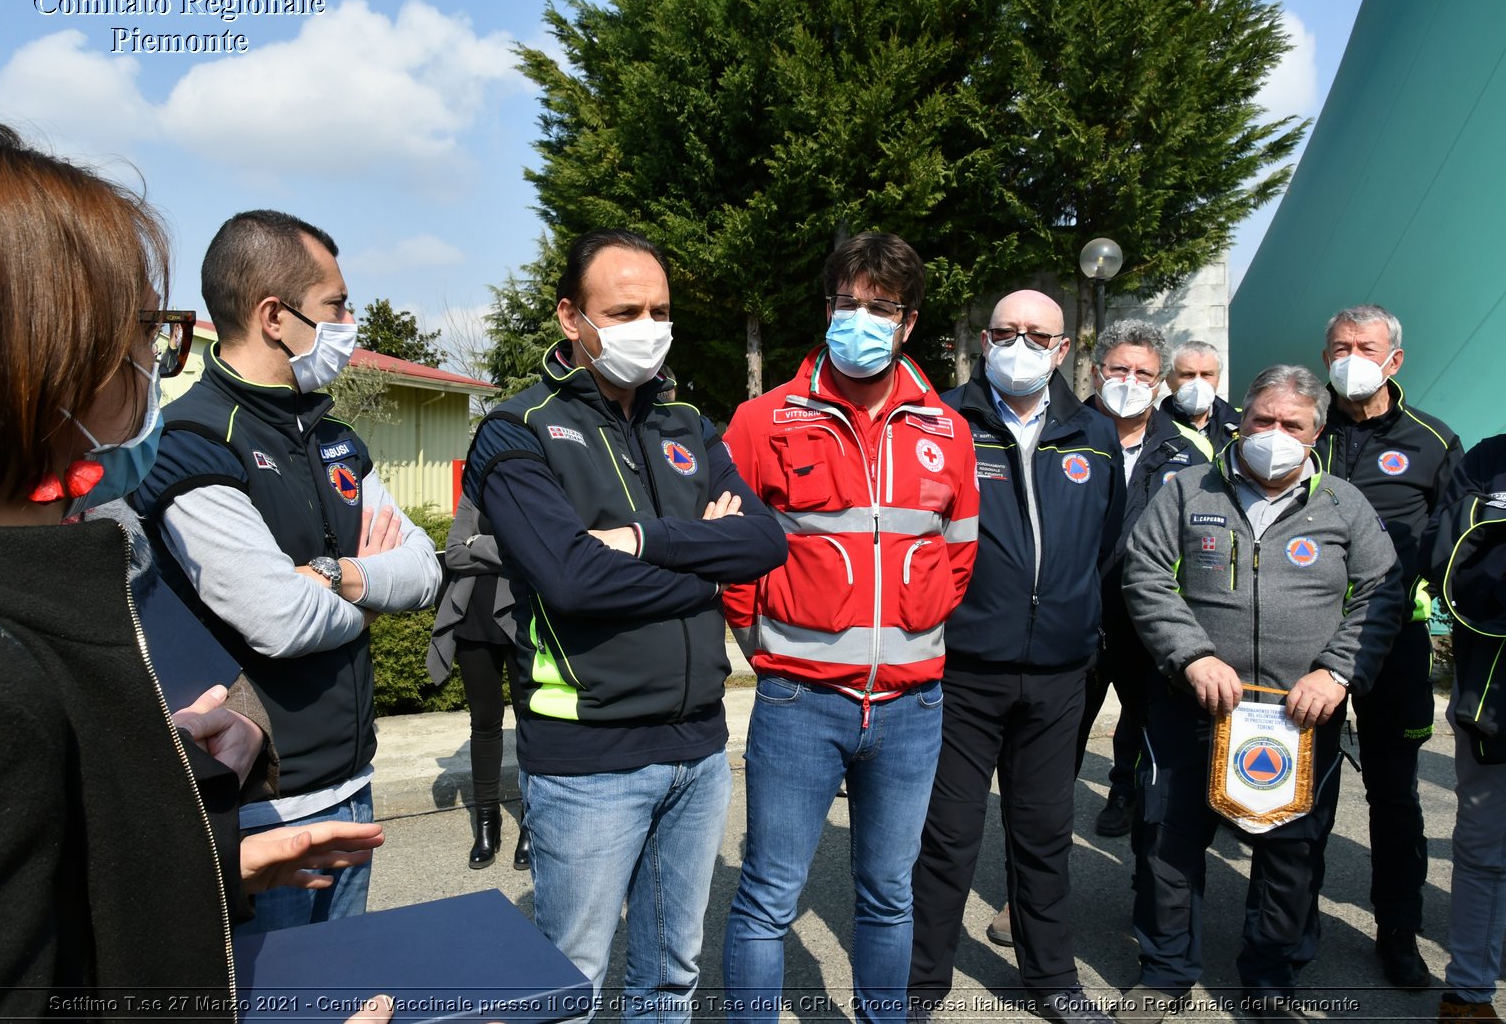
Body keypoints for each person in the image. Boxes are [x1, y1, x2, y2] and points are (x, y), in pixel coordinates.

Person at [0, 121, 388, 1022]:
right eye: (143, 335)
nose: (154, 370)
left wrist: (194, 850)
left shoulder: (1, 622)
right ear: (38, 368)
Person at [464, 229, 787, 1019]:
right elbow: (571, 579)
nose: (649, 325)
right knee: (569, 980)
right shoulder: (517, 430)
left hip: (699, 748)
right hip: (588, 759)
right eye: (625, 309)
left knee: (671, 973)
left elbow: (765, 540)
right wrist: (707, 565)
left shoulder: (687, 423)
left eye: (660, 309)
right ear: (572, 317)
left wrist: (650, 542)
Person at [134, 209, 441, 932]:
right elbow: (279, 619)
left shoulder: (336, 437)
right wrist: (368, 585)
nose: (350, 320)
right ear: (275, 315)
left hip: (355, 786)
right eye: (336, 304)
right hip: (264, 809)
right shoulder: (194, 441)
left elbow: (425, 569)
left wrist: (334, 576)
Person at [719, 233, 980, 1023]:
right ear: (828, 307)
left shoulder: (948, 429)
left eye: (881, 307)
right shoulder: (763, 420)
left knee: (889, 895)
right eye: (847, 303)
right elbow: (730, 555)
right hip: (800, 702)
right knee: (769, 894)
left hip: (912, 709)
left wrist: (912, 641)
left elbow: (958, 556)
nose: (860, 319)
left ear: (908, 322)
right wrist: (766, 651)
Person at [1118, 365, 1403, 1024]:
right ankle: (1164, 973)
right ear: (1241, 418)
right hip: (1192, 702)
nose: (1273, 434)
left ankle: (1271, 978)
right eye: (1262, 420)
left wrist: (1335, 671)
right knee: (1167, 838)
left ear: (1316, 432)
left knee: (1292, 847)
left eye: (1291, 425)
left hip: (1301, 713)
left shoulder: (1343, 504)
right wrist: (1190, 653)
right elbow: (1145, 574)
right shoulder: (1190, 488)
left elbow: (1382, 593)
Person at [909, 290, 1123, 1024]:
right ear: (981, 339)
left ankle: (1052, 980)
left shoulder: (1094, 433)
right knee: (947, 839)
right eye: (1007, 332)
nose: (1021, 345)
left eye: (1038, 334)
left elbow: (1106, 547)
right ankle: (921, 984)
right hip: (964, 668)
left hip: (1060, 674)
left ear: (1065, 349)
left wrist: (1077, 626)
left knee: (1044, 836)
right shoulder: (939, 423)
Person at [1313, 303, 1462, 988]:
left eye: (1364, 345)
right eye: (1339, 345)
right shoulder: (1302, 429)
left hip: (1394, 642)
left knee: (1394, 794)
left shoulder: (1434, 441)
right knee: (1301, 789)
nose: (1351, 355)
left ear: (1393, 359)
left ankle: (1398, 929)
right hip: (1306, 643)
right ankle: (1291, 923)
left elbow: (1456, 544)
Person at [1078, 320, 1213, 839]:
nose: (1131, 381)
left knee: (1154, 757)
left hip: (1149, 632)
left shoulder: (1191, 454)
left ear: (1160, 383)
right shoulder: (1056, 435)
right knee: (1048, 767)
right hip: (1073, 627)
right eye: (1120, 369)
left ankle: (1148, 889)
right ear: (1096, 372)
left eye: (1144, 373)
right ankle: (1028, 900)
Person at [1421, 435, 1506, 1020]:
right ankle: (1469, 993)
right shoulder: (1486, 461)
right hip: (1493, 698)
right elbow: (1447, 558)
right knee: (1484, 848)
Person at [429, 494, 529, 869]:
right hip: (474, 622)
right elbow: (453, 553)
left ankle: (530, 823)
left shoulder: (527, 484)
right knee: (483, 725)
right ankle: (487, 823)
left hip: (521, 620)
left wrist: (479, 545)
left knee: (530, 723)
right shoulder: (474, 495)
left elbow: (532, 548)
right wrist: (500, 550)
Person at [1159, 340, 1241, 451]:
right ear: (1168, 380)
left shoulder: (1241, 423)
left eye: (1206, 374)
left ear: (1218, 380)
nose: (1198, 383)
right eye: (1188, 375)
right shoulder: (1152, 427)